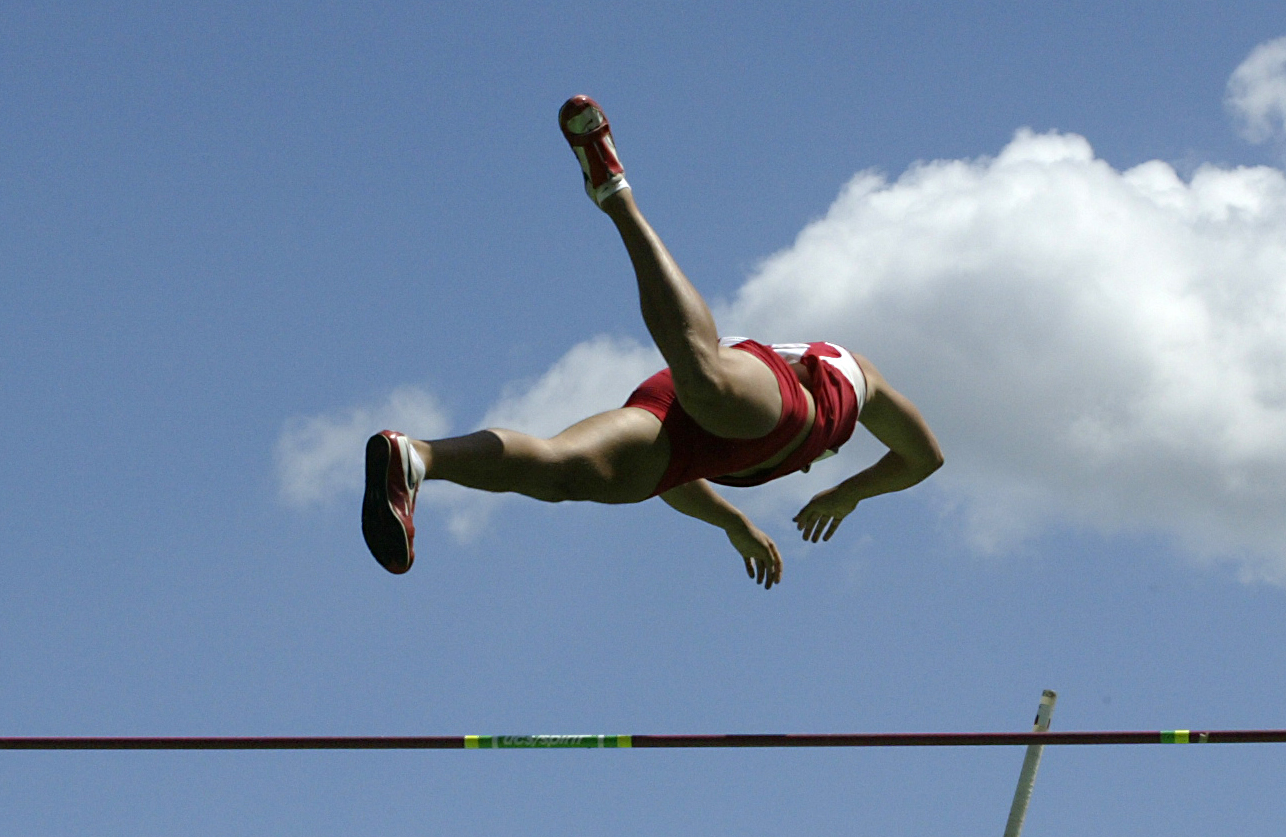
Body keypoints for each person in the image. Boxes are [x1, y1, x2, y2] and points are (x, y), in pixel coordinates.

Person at [363, 96, 943, 587]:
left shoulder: (715, 460)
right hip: (774, 403)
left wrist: (732, 524)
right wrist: (848, 495)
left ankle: (417, 458)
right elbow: (923, 455)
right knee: (709, 380)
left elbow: (677, 477)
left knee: (563, 471)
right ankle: (616, 195)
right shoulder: (856, 376)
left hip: (687, 439)